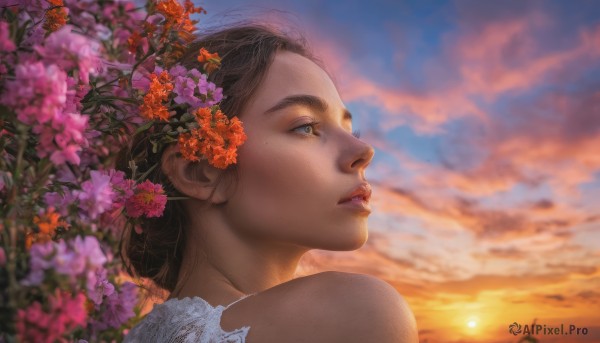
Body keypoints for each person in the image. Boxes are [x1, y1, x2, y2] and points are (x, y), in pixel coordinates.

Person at [119, 20, 418, 343]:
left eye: (350, 130)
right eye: (305, 127)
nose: (363, 151)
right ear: (198, 171)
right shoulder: (358, 313)